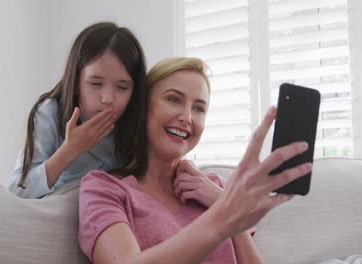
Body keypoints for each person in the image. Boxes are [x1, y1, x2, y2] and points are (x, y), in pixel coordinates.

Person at [78, 57, 312, 263]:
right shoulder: (104, 189)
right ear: (143, 108)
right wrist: (223, 214)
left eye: (199, 108)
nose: (187, 117)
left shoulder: (217, 189)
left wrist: (224, 206)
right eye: (173, 100)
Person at [7, 22, 146, 198]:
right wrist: (69, 150)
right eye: (95, 84)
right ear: (75, 83)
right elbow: (15, 192)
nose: (108, 99)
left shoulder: (140, 121)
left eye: (123, 87)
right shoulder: (51, 112)